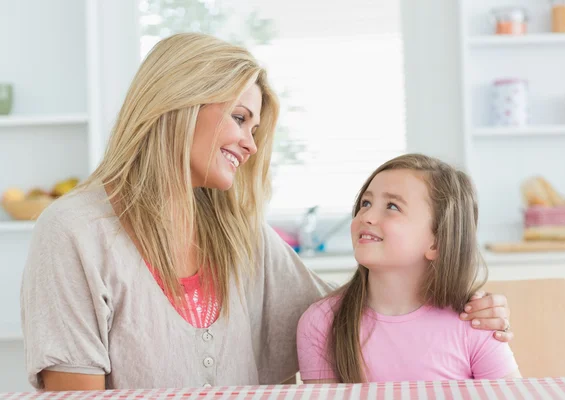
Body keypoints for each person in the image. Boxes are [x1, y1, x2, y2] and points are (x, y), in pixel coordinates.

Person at [20, 34, 513, 391]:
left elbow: (361, 312)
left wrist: (469, 308)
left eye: (255, 128)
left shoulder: (243, 236)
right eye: (239, 118)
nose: (251, 145)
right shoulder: (75, 233)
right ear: (178, 103)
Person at [297, 154, 521, 383]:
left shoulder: (474, 322)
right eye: (366, 203)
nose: (367, 216)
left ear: (437, 242)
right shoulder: (321, 322)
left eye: (392, 206)